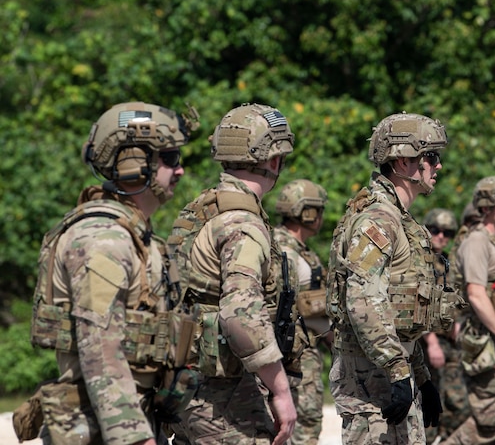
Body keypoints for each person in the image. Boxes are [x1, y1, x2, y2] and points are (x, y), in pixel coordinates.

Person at [27, 102, 198, 445]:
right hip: (104, 431)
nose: (179, 171)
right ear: (133, 162)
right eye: (170, 158)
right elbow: (100, 347)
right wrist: (133, 437)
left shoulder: (137, 237)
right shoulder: (103, 239)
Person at [166, 103, 297, 445]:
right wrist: (280, 389)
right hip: (221, 396)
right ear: (273, 160)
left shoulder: (203, 208)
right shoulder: (243, 223)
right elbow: (240, 311)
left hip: (185, 385)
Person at [327, 112, 459, 444]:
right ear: (402, 162)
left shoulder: (400, 220)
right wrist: (399, 370)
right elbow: (363, 302)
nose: (438, 166)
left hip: (391, 369)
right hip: (371, 376)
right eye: (430, 157)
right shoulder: (379, 219)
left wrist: (421, 375)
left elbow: (399, 312)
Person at [442, 176, 495, 445]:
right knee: (488, 424)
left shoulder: (494, 242)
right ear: (486, 208)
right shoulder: (477, 241)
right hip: (486, 340)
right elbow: (475, 294)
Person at [274, 178, 331, 445]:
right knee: (304, 429)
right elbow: (304, 310)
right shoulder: (289, 253)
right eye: (318, 210)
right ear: (306, 212)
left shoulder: (289, 248)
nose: (321, 217)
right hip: (296, 355)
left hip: (291, 353)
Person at [420, 208, 470, 443]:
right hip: (427, 343)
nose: (441, 236)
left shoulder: (443, 263)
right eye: (435, 230)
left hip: (448, 342)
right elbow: (418, 305)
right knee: (428, 403)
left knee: (457, 404)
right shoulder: (419, 261)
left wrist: (457, 325)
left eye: (447, 232)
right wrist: (431, 343)